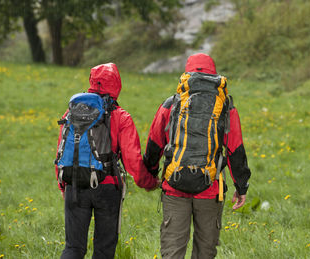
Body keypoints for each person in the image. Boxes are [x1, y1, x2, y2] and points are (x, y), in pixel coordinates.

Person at [143, 53, 252, 259]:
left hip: (174, 188)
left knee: (172, 252)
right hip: (210, 188)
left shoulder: (171, 104)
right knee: (205, 252)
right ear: (214, 73)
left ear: (187, 73)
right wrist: (241, 186)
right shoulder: (226, 107)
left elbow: (155, 143)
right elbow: (234, 149)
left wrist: (149, 176)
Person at [55, 63, 159, 259]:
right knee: (104, 250)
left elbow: (61, 153)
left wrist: (63, 186)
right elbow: (132, 161)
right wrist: (149, 183)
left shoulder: (70, 114)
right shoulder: (121, 117)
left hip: (74, 184)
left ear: (92, 82)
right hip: (107, 187)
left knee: (73, 248)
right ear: (117, 84)